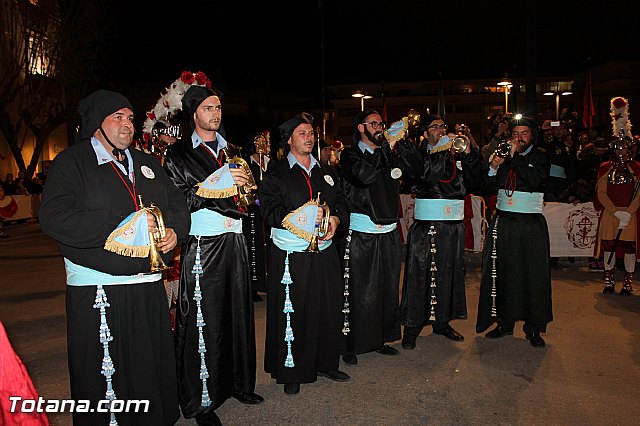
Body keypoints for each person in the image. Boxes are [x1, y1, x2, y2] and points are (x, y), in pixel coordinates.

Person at [38, 89, 190, 425]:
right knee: (108, 372)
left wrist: (176, 232)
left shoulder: (147, 164)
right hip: (100, 291)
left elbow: (178, 206)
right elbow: (53, 217)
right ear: (96, 124)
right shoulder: (72, 162)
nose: (127, 125)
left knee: (147, 364)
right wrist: (121, 224)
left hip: (148, 286)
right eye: (117, 118)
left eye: (130, 118)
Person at [163, 77, 263, 426]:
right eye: (208, 108)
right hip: (204, 245)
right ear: (194, 114)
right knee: (204, 319)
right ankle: (201, 399)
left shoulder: (232, 151)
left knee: (238, 313)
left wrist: (250, 190)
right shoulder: (177, 154)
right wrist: (212, 189)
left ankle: (239, 383)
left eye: (218, 107)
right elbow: (177, 202)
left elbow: (251, 198)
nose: (216, 113)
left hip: (235, 240)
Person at [260, 112, 350, 395]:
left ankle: (326, 362)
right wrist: (301, 221)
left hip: (324, 252)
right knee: (294, 312)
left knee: (326, 307)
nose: (309, 137)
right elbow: (268, 210)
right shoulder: (276, 173)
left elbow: (342, 203)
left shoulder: (326, 171)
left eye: (311, 132)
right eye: (302, 133)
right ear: (288, 140)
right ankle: (292, 371)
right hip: (292, 254)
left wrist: (335, 220)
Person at [396, 115, 482, 349]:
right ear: (425, 133)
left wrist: (469, 154)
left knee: (449, 273)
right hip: (428, 224)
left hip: (453, 225)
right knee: (420, 275)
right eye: (435, 127)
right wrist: (443, 149)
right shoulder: (417, 153)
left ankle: (441, 322)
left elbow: (476, 180)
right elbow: (426, 175)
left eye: (443, 126)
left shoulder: (455, 151)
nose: (441, 130)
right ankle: (412, 326)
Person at [476, 116, 552, 348]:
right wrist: (493, 166)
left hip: (530, 224)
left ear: (532, 136)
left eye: (524, 134)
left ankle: (533, 327)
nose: (519, 138)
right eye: (515, 134)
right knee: (503, 271)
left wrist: (515, 158)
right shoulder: (504, 155)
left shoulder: (541, 157)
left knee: (532, 274)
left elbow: (535, 180)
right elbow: (487, 185)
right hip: (505, 222)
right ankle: (504, 323)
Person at [339, 109, 402, 366]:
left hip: (387, 230)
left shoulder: (388, 152)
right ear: (362, 128)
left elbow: (408, 172)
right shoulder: (350, 154)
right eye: (374, 124)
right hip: (361, 230)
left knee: (386, 288)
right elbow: (364, 176)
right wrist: (384, 151)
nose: (379, 127)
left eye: (381, 123)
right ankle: (350, 343)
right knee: (357, 290)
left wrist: (397, 147)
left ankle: (380, 339)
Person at [593, 96, 640, 296]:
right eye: (618, 148)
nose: (621, 151)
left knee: (629, 247)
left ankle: (628, 282)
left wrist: (628, 212)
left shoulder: (636, 169)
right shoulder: (605, 168)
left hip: (630, 214)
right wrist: (614, 211)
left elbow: (639, 194)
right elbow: (601, 192)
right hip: (610, 214)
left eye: (624, 148)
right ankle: (609, 279)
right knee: (608, 245)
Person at [243, 130, 272, 302]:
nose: (265, 145)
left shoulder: (272, 164)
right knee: (253, 248)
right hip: (252, 213)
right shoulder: (247, 163)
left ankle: (269, 283)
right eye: (262, 141)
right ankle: (253, 286)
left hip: (268, 212)